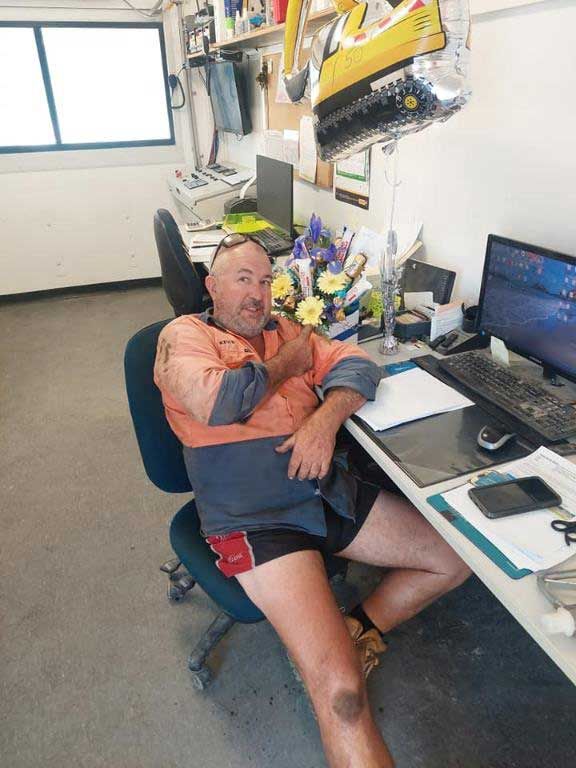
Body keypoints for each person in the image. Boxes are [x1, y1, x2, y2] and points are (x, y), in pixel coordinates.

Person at [154, 234, 470, 768]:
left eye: (263, 281)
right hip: (255, 522)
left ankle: (357, 631)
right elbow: (219, 400)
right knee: (343, 697)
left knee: (457, 557)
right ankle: (337, 663)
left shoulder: (286, 331)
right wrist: (291, 362)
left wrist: (324, 420)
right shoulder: (184, 336)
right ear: (211, 286)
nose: (257, 295)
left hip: (322, 492)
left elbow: (359, 365)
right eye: (241, 279)